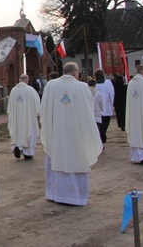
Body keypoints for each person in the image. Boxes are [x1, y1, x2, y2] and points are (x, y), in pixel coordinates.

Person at [40, 62, 103, 206]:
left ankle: (55, 193)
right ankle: (74, 197)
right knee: (76, 157)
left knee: (56, 156)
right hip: (76, 132)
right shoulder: (82, 87)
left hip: (56, 133)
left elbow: (44, 110)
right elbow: (88, 111)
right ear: (75, 72)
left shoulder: (51, 86)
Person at [7, 74, 40, 160]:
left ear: (19, 79)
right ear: (27, 80)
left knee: (17, 131)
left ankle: (18, 147)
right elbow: (37, 103)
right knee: (29, 131)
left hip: (16, 117)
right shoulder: (30, 90)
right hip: (28, 117)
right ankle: (28, 153)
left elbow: (10, 105)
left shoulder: (13, 90)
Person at [93, 69, 114, 144]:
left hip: (96, 107)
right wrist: (112, 104)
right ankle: (103, 134)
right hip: (106, 105)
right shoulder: (108, 82)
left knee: (99, 123)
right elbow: (111, 93)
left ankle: (100, 135)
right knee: (106, 122)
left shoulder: (93, 84)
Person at [88, 79, 104, 144]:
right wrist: (102, 109)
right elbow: (101, 103)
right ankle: (98, 145)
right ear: (95, 85)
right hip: (96, 115)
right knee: (97, 131)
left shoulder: (86, 93)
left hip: (89, 115)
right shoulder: (98, 94)